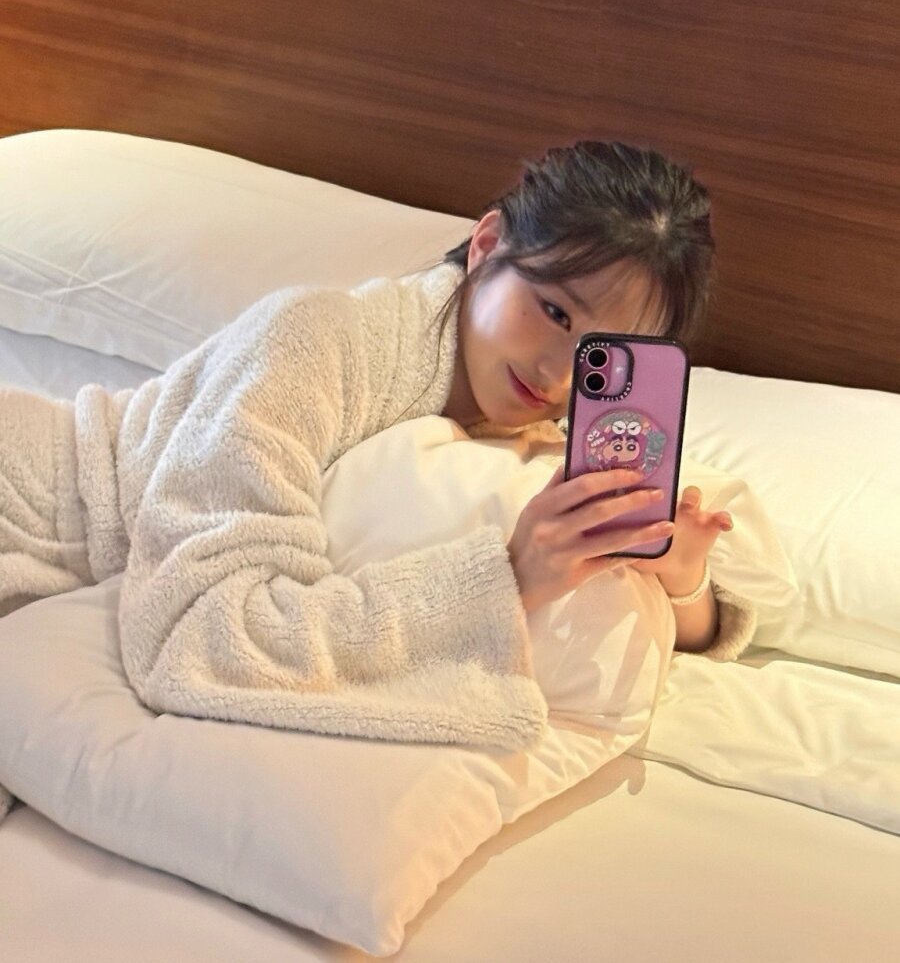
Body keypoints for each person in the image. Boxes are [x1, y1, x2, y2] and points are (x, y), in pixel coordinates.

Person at [0, 140, 753, 752]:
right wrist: (508, 577)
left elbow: (691, 631)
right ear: (487, 245)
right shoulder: (314, 340)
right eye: (554, 311)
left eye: (598, 354)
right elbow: (202, 630)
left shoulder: (548, 451)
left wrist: (680, 575)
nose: (558, 373)